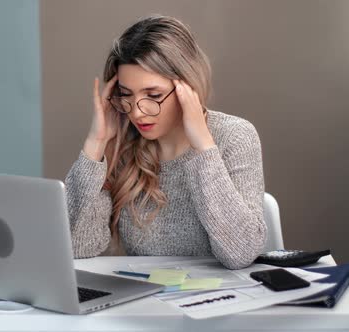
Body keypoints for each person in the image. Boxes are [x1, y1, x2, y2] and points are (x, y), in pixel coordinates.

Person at [64, 14, 266, 270]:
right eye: (126, 95)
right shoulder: (124, 144)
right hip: (145, 302)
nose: (137, 112)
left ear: (187, 84)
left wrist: (203, 147)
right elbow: (77, 247)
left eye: (153, 95)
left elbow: (241, 253)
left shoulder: (235, 136)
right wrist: (96, 143)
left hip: (217, 302)